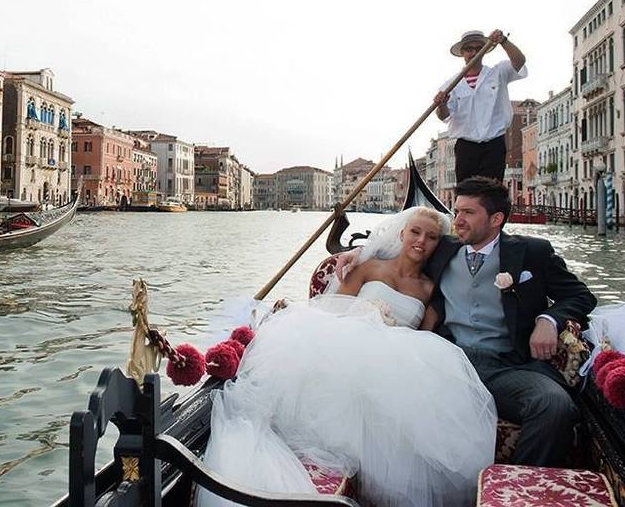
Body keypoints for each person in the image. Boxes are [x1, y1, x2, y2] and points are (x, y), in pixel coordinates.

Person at [198, 207, 498, 507]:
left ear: (438, 244)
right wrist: (366, 314)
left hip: (398, 365)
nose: (421, 241)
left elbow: (424, 336)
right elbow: (333, 308)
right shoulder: (368, 267)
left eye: (432, 237)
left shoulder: (431, 289)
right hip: (347, 346)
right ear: (401, 233)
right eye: (415, 232)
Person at [336, 176, 596, 467]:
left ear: (496, 218)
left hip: (507, 366)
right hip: (447, 362)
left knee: (555, 405)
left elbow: (580, 296)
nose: (457, 220)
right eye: (457, 211)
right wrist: (354, 253)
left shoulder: (533, 252)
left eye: (468, 213)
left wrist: (548, 319)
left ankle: (511, 489)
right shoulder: (443, 247)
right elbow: (398, 247)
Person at [433, 29, 527, 182]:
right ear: (463, 53)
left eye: (478, 49)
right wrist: (441, 105)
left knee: (491, 194)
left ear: (484, 51)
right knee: (466, 193)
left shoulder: (498, 73)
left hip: (493, 144)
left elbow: (519, 61)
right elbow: (443, 115)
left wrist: (503, 41)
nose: (474, 53)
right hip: (466, 148)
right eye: (469, 49)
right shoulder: (450, 85)